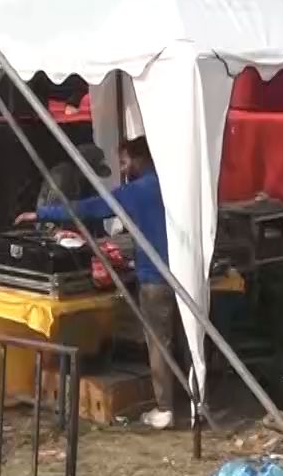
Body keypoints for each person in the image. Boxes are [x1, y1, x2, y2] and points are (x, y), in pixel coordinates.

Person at [22, 136, 180, 429]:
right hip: (179, 272)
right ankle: (185, 399)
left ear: (139, 158)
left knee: (158, 341)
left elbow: (92, 208)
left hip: (155, 277)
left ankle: (166, 408)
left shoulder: (138, 190)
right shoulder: (170, 184)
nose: (123, 168)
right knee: (174, 338)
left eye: (125, 161)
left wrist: (42, 214)